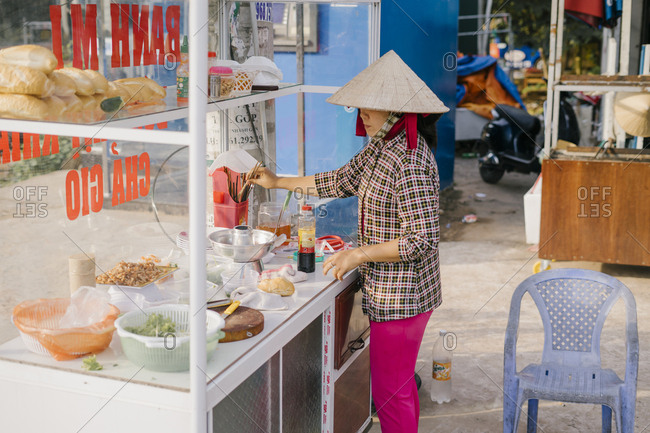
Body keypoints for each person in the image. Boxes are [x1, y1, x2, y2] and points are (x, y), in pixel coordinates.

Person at [250, 50, 448, 433]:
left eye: (369, 108)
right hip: (386, 290)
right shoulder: (380, 147)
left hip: (404, 296)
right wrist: (278, 182)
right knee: (391, 388)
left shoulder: (410, 159)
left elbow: (421, 239)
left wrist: (359, 254)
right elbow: (338, 181)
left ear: (394, 110)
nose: (362, 115)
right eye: (359, 108)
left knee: (393, 391)